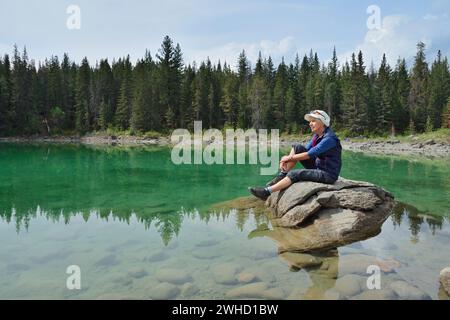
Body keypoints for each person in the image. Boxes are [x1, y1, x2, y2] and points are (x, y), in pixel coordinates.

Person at [249, 110, 342, 200]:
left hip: (328, 174)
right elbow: (304, 150)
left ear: (323, 122)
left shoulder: (329, 138)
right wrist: (286, 159)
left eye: (313, 121)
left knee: (294, 174)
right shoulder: (317, 135)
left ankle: (266, 192)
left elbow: (311, 153)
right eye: (310, 121)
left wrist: (288, 158)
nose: (310, 124)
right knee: (297, 147)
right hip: (318, 166)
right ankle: (283, 174)